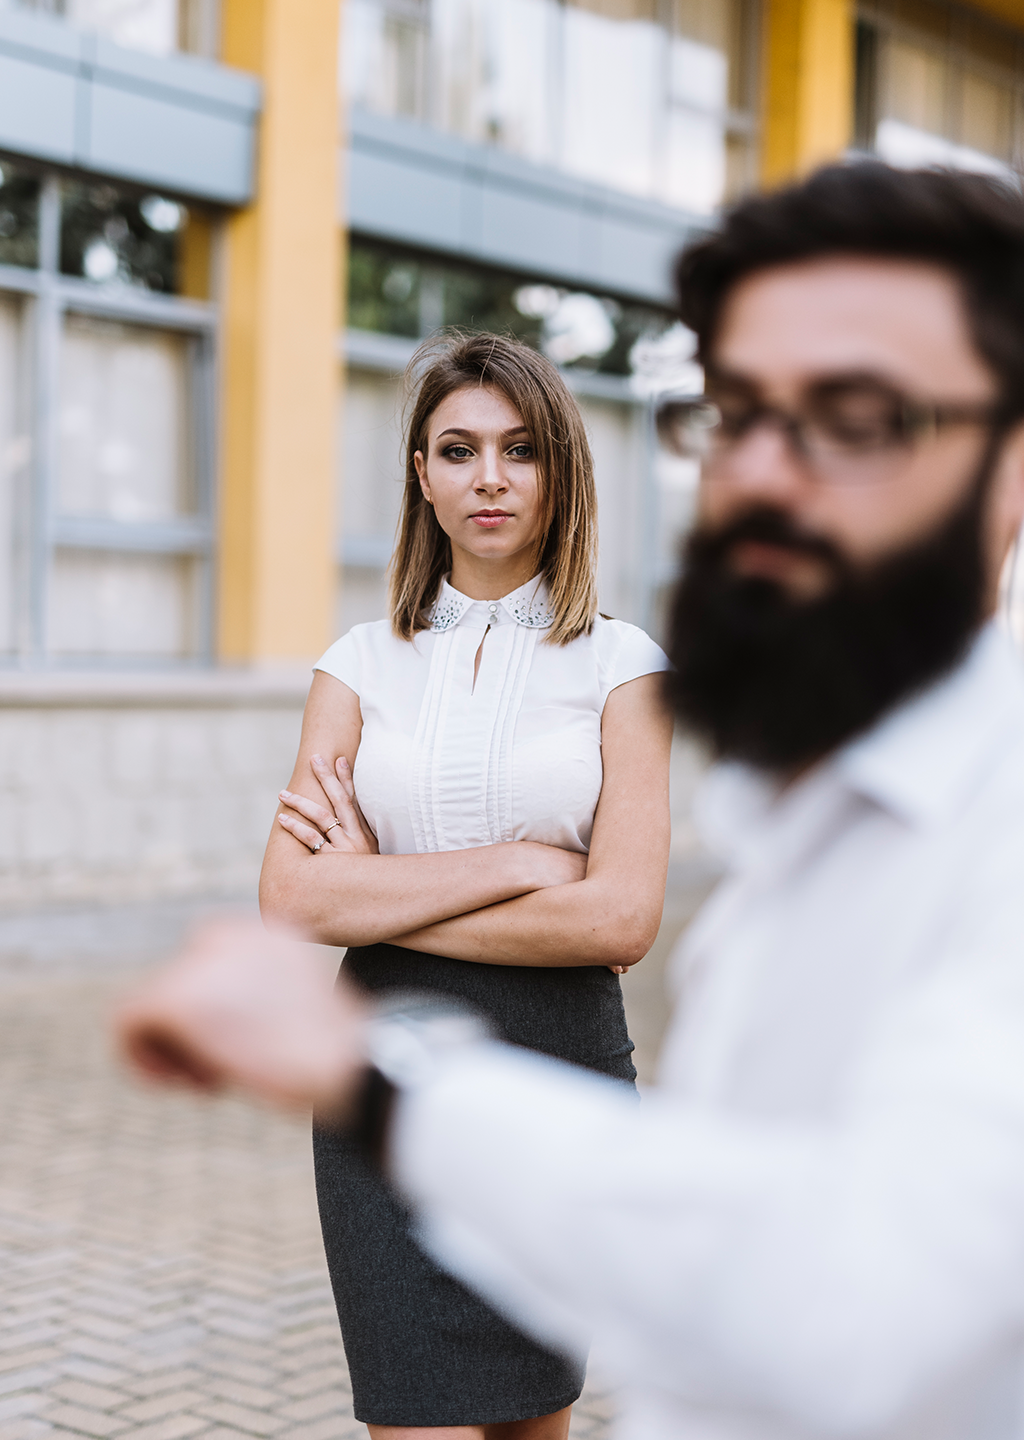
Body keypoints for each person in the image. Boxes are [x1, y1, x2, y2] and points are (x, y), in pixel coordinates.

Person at [120, 162, 1024, 1440]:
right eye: (736, 416)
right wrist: (517, 867)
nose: (765, 475)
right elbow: (301, 896)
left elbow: (847, 1302)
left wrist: (382, 1070)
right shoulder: (801, 829)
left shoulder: (988, 836)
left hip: (540, 1050)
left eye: (855, 415)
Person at [255, 332, 673, 1439]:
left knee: (534, 1421)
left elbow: (621, 916)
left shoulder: (625, 668)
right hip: (382, 1081)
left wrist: (377, 889)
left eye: (520, 450)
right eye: (458, 450)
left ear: (559, 472)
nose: (490, 477)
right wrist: (523, 867)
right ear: (422, 475)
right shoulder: (357, 664)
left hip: (563, 1078)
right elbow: (292, 902)